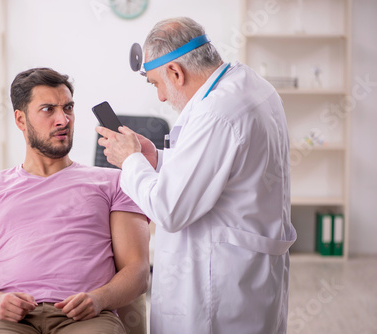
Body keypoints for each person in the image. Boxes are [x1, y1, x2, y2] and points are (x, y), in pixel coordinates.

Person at [96, 17, 297, 334]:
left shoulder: (216, 112)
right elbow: (220, 168)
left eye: (156, 84)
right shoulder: (250, 86)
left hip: (219, 287)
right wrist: (157, 159)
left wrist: (130, 159)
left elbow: (170, 210)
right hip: (247, 276)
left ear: (176, 72)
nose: (161, 97)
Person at [0, 67, 150, 334]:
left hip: (87, 319)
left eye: (68, 108)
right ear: (20, 120)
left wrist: (98, 299)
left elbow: (137, 271)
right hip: (7, 320)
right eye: (48, 110)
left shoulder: (114, 183)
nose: (63, 120)